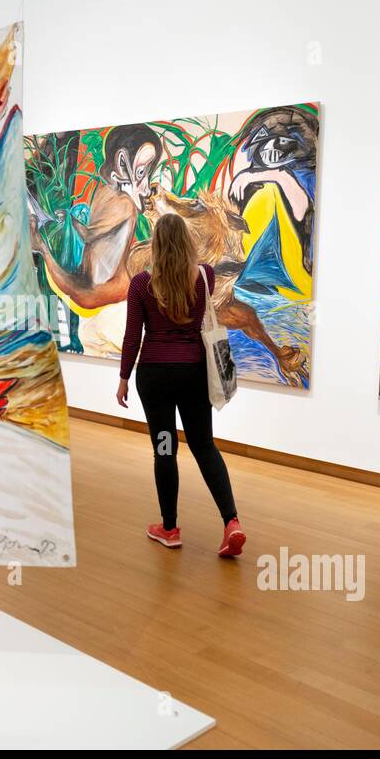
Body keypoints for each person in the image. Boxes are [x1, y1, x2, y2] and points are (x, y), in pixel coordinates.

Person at [116, 213, 244, 557]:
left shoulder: (141, 284)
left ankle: (169, 528)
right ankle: (231, 522)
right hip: (192, 375)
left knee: (164, 448)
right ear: (188, 242)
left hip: (155, 378)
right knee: (204, 446)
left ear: (155, 245)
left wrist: (124, 378)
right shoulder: (205, 277)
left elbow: (133, 336)